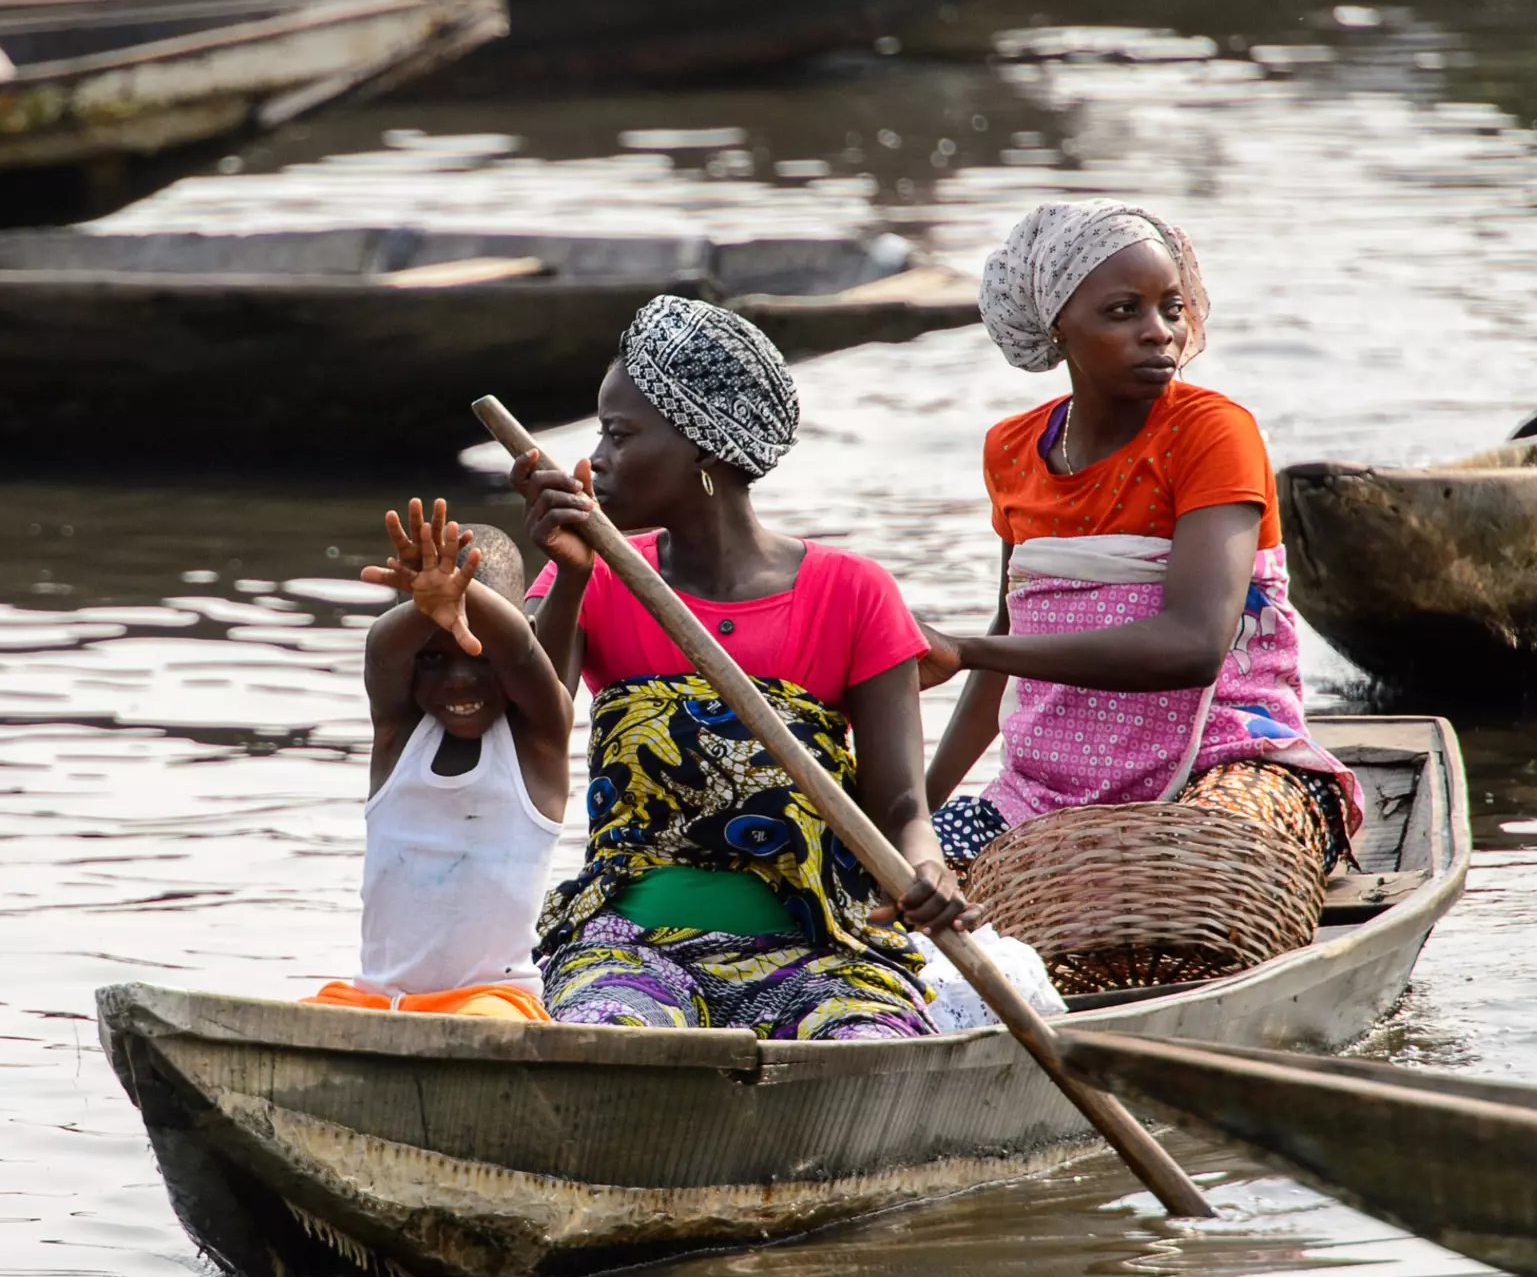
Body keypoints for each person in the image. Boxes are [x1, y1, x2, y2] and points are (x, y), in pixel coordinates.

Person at [511, 294, 972, 1040]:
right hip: (631, 951)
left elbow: (901, 809)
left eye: (619, 434)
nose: (594, 461)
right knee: (608, 1036)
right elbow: (525, 721)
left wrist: (927, 869)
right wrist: (566, 578)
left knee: (863, 1046)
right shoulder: (594, 577)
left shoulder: (852, 591)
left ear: (703, 445)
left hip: (819, 951)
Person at [923, 199, 1362, 872]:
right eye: (1124, 311)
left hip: (1225, 761)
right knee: (893, 897)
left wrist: (968, 650)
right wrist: (914, 812)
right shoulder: (1011, 450)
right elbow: (1013, 633)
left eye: (1172, 308)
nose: (1160, 333)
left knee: (1207, 870)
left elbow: (1194, 646)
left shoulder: (1213, 432)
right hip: (1047, 790)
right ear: (1058, 327)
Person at [304, 501, 572, 1020]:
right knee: (299, 1018)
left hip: (493, 1001)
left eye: (479, 656)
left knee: (482, 1028)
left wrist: (462, 593)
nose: (459, 680)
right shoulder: (399, 735)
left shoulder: (538, 740)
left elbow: (518, 650)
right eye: (432, 657)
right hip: (377, 999)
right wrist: (426, 604)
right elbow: (382, 652)